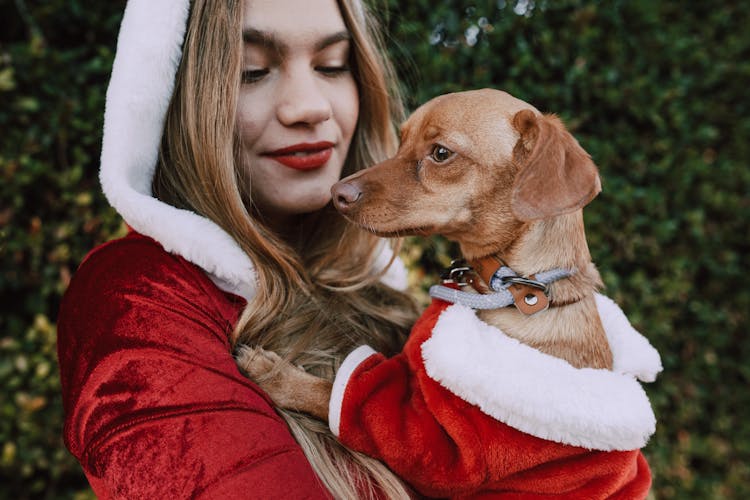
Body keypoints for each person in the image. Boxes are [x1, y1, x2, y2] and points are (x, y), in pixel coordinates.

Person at [57, 0, 420, 498]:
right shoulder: (137, 295)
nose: (309, 106)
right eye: (251, 71)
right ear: (177, 95)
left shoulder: (386, 297)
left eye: (332, 66)